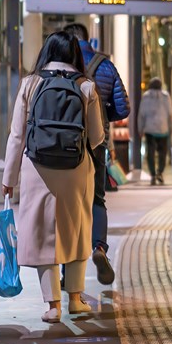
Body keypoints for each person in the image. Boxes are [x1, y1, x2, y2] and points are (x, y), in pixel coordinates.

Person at [2, 31, 107, 324]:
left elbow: (17, 135)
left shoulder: (30, 83)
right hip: (76, 169)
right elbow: (97, 137)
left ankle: (52, 305)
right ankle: (75, 299)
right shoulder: (86, 86)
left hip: (37, 168)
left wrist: (9, 177)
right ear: (75, 54)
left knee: (42, 233)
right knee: (76, 230)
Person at [63, 23, 129, 286]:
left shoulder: (62, 64)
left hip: (65, 143)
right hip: (96, 140)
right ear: (88, 39)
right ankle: (99, 247)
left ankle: (68, 272)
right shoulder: (105, 65)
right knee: (96, 199)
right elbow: (123, 107)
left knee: (69, 204)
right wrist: (102, 118)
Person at [139, 78, 172, 185]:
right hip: (163, 129)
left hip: (149, 129)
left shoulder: (146, 96)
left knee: (150, 153)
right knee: (162, 153)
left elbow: (141, 114)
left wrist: (140, 129)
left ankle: (152, 174)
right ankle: (160, 172)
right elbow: (170, 114)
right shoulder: (166, 96)